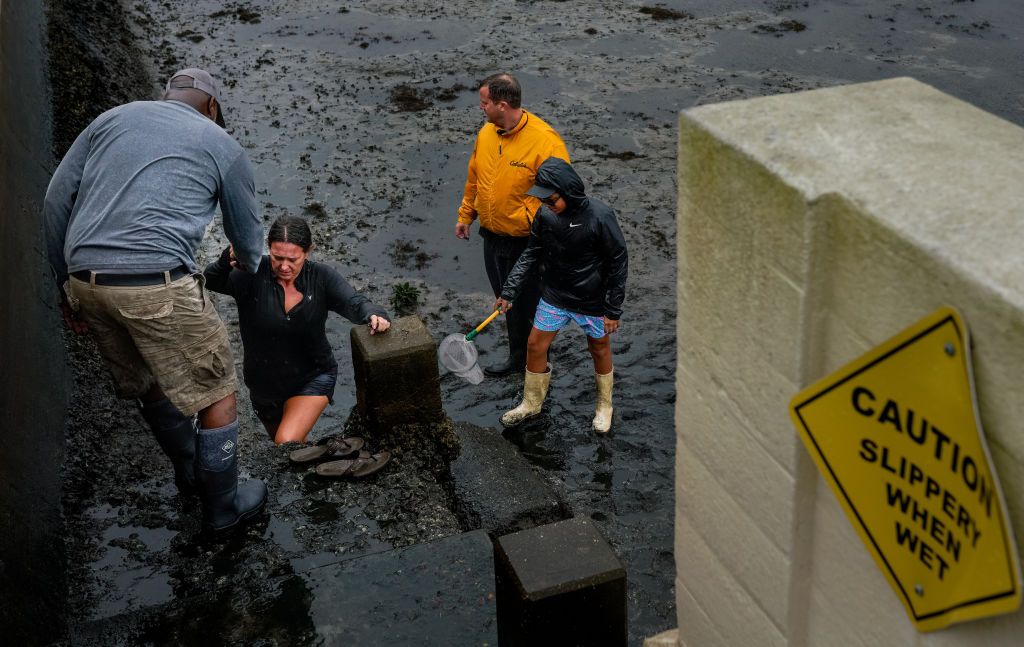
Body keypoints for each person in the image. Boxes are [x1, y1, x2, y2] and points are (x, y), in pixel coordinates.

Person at [44, 68, 268, 535]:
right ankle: (224, 506)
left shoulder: (110, 119)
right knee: (217, 389)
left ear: (167, 96)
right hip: (156, 284)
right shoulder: (220, 143)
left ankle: (189, 470)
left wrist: (65, 284)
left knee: (148, 377)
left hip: (88, 282)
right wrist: (247, 265)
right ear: (212, 106)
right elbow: (247, 239)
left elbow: (55, 200)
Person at [204, 215, 391, 449]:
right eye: (277, 257)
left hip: (312, 376)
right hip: (263, 386)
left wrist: (374, 314)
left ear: (307, 252)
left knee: (286, 441)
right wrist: (226, 259)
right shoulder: (252, 274)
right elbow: (209, 281)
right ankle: (329, 460)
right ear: (268, 250)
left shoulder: (321, 278)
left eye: (293, 259)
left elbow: (355, 302)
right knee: (293, 450)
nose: (284, 266)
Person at [494, 158, 628, 434]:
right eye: (543, 199)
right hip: (555, 294)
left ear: (569, 192)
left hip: (591, 299)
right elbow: (531, 252)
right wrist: (509, 291)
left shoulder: (600, 216)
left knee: (599, 348)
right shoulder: (544, 216)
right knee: (534, 344)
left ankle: (604, 406)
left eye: (552, 199)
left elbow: (618, 260)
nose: (547, 204)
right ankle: (531, 402)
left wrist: (613, 309)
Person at [455, 72, 570, 376]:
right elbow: (474, 177)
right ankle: (517, 359)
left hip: (528, 242)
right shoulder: (486, 134)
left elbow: (562, 196)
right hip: (492, 237)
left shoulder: (545, 142)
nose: (481, 108)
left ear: (502, 104)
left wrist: (531, 222)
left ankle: (539, 365)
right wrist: (467, 214)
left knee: (530, 306)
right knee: (505, 302)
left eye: (485, 103)